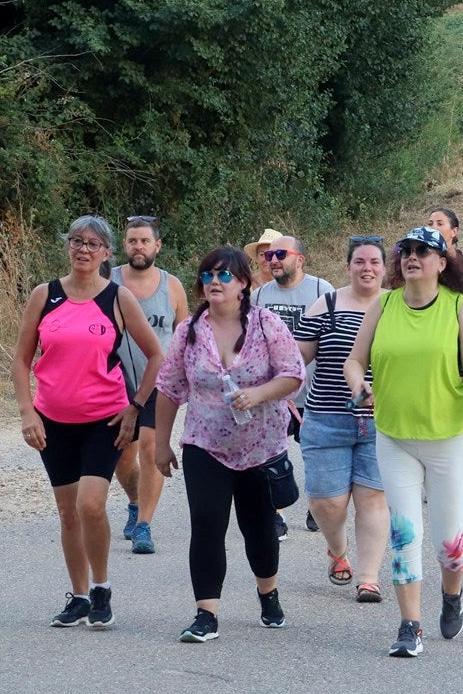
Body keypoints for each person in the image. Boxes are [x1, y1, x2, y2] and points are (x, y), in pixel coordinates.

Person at [344, 226, 463, 658]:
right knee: (404, 532)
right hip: (394, 438)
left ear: (441, 263)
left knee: (449, 539)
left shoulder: (457, 306)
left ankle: (452, 595)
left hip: (448, 437)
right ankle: (410, 625)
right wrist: (359, 387)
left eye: (423, 252)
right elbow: (355, 361)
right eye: (406, 251)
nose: (412, 257)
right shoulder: (384, 304)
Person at [13, 215, 163, 629]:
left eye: (93, 244)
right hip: (53, 421)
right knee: (67, 513)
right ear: (67, 246)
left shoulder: (117, 298)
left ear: (107, 254)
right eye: (77, 241)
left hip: (104, 418)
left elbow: (155, 355)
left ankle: (101, 588)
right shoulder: (45, 295)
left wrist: (135, 406)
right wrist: (28, 412)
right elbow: (22, 359)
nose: (83, 249)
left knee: (91, 505)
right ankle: (79, 596)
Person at [154, 247, 305, 643]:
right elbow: (169, 389)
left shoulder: (266, 323)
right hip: (205, 444)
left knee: (258, 528)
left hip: (260, 446)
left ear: (243, 283)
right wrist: (161, 443)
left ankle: (268, 593)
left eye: (223, 276)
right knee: (206, 523)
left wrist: (259, 394)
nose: (214, 282)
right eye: (207, 276)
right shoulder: (188, 331)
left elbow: (293, 374)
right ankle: (206, 614)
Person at [294, 236, 389, 604]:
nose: (367, 268)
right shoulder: (327, 304)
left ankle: (368, 577)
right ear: (349, 266)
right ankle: (337, 550)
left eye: (374, 262)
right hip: (327, 419)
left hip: (382, 422)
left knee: (373, 499)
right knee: (327, 503)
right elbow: (296, 358)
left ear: (384, 267)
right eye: (360, 262)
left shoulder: (396, 306)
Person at [111, 216, 189, 555]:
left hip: (160, 382)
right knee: (122, 455)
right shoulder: (107, 280)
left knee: (151, 448)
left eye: (144, 241)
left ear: (157, 246)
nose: (138, 247)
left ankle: (144, 525)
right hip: (115, 381)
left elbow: (185, 333)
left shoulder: (171, 286)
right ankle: (134, 502)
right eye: (132, 241)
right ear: (124, 245)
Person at [254, 234, 332, 538]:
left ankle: (317, 506)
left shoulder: (320, 290)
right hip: (274, 395)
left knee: (315, 454)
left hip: (313, 392)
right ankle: (275, 514)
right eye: (269, 255)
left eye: (280, 254)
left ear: (299, 259)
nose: (273, 260)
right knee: (271, 456)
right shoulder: (259, 296)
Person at [426, 207, 463, 332]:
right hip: (429, 328)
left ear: (454, 231)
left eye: (440, 223)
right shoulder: (422, 260)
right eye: (430, 224)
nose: (433, 228)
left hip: (459, 330)